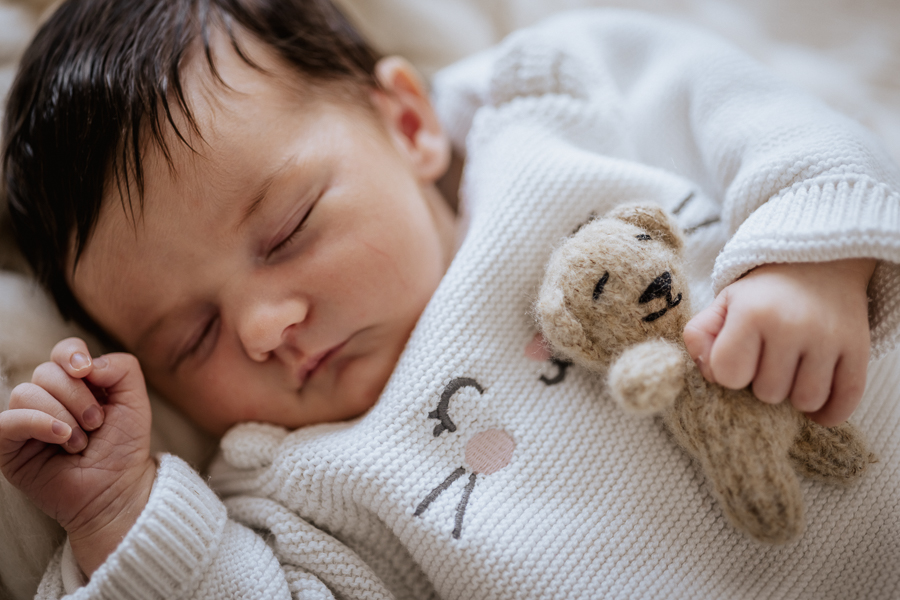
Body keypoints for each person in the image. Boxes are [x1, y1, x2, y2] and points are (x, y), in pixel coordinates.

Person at [1, 0, 899, 598]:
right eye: (190, 337)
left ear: (408, 123)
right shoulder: (302, 491)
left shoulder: (547, 115)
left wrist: (809, 249)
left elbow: (749, 109)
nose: (264, 325)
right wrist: (118, 514)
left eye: (286, 230)